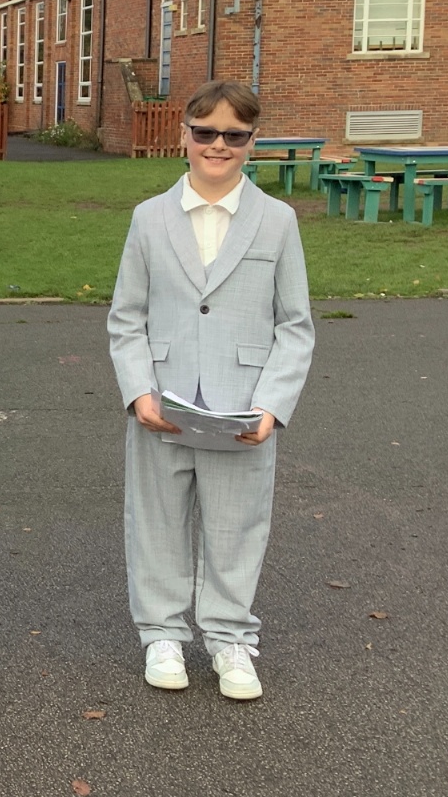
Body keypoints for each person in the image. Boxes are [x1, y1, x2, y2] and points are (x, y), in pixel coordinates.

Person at [107, 79, 314, 701]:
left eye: (234, 135)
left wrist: (272, 405)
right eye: (205, 132)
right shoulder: (149, 218)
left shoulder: (277, 221)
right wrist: (139, 390)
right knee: (156, 521)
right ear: (184, 136)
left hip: (242, 405)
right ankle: (162, 633)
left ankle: (229, 637)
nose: (217, 145)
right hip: (162, 402)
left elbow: (295, 325)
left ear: (253, 141)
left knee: (236, 526)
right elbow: (127, 316)